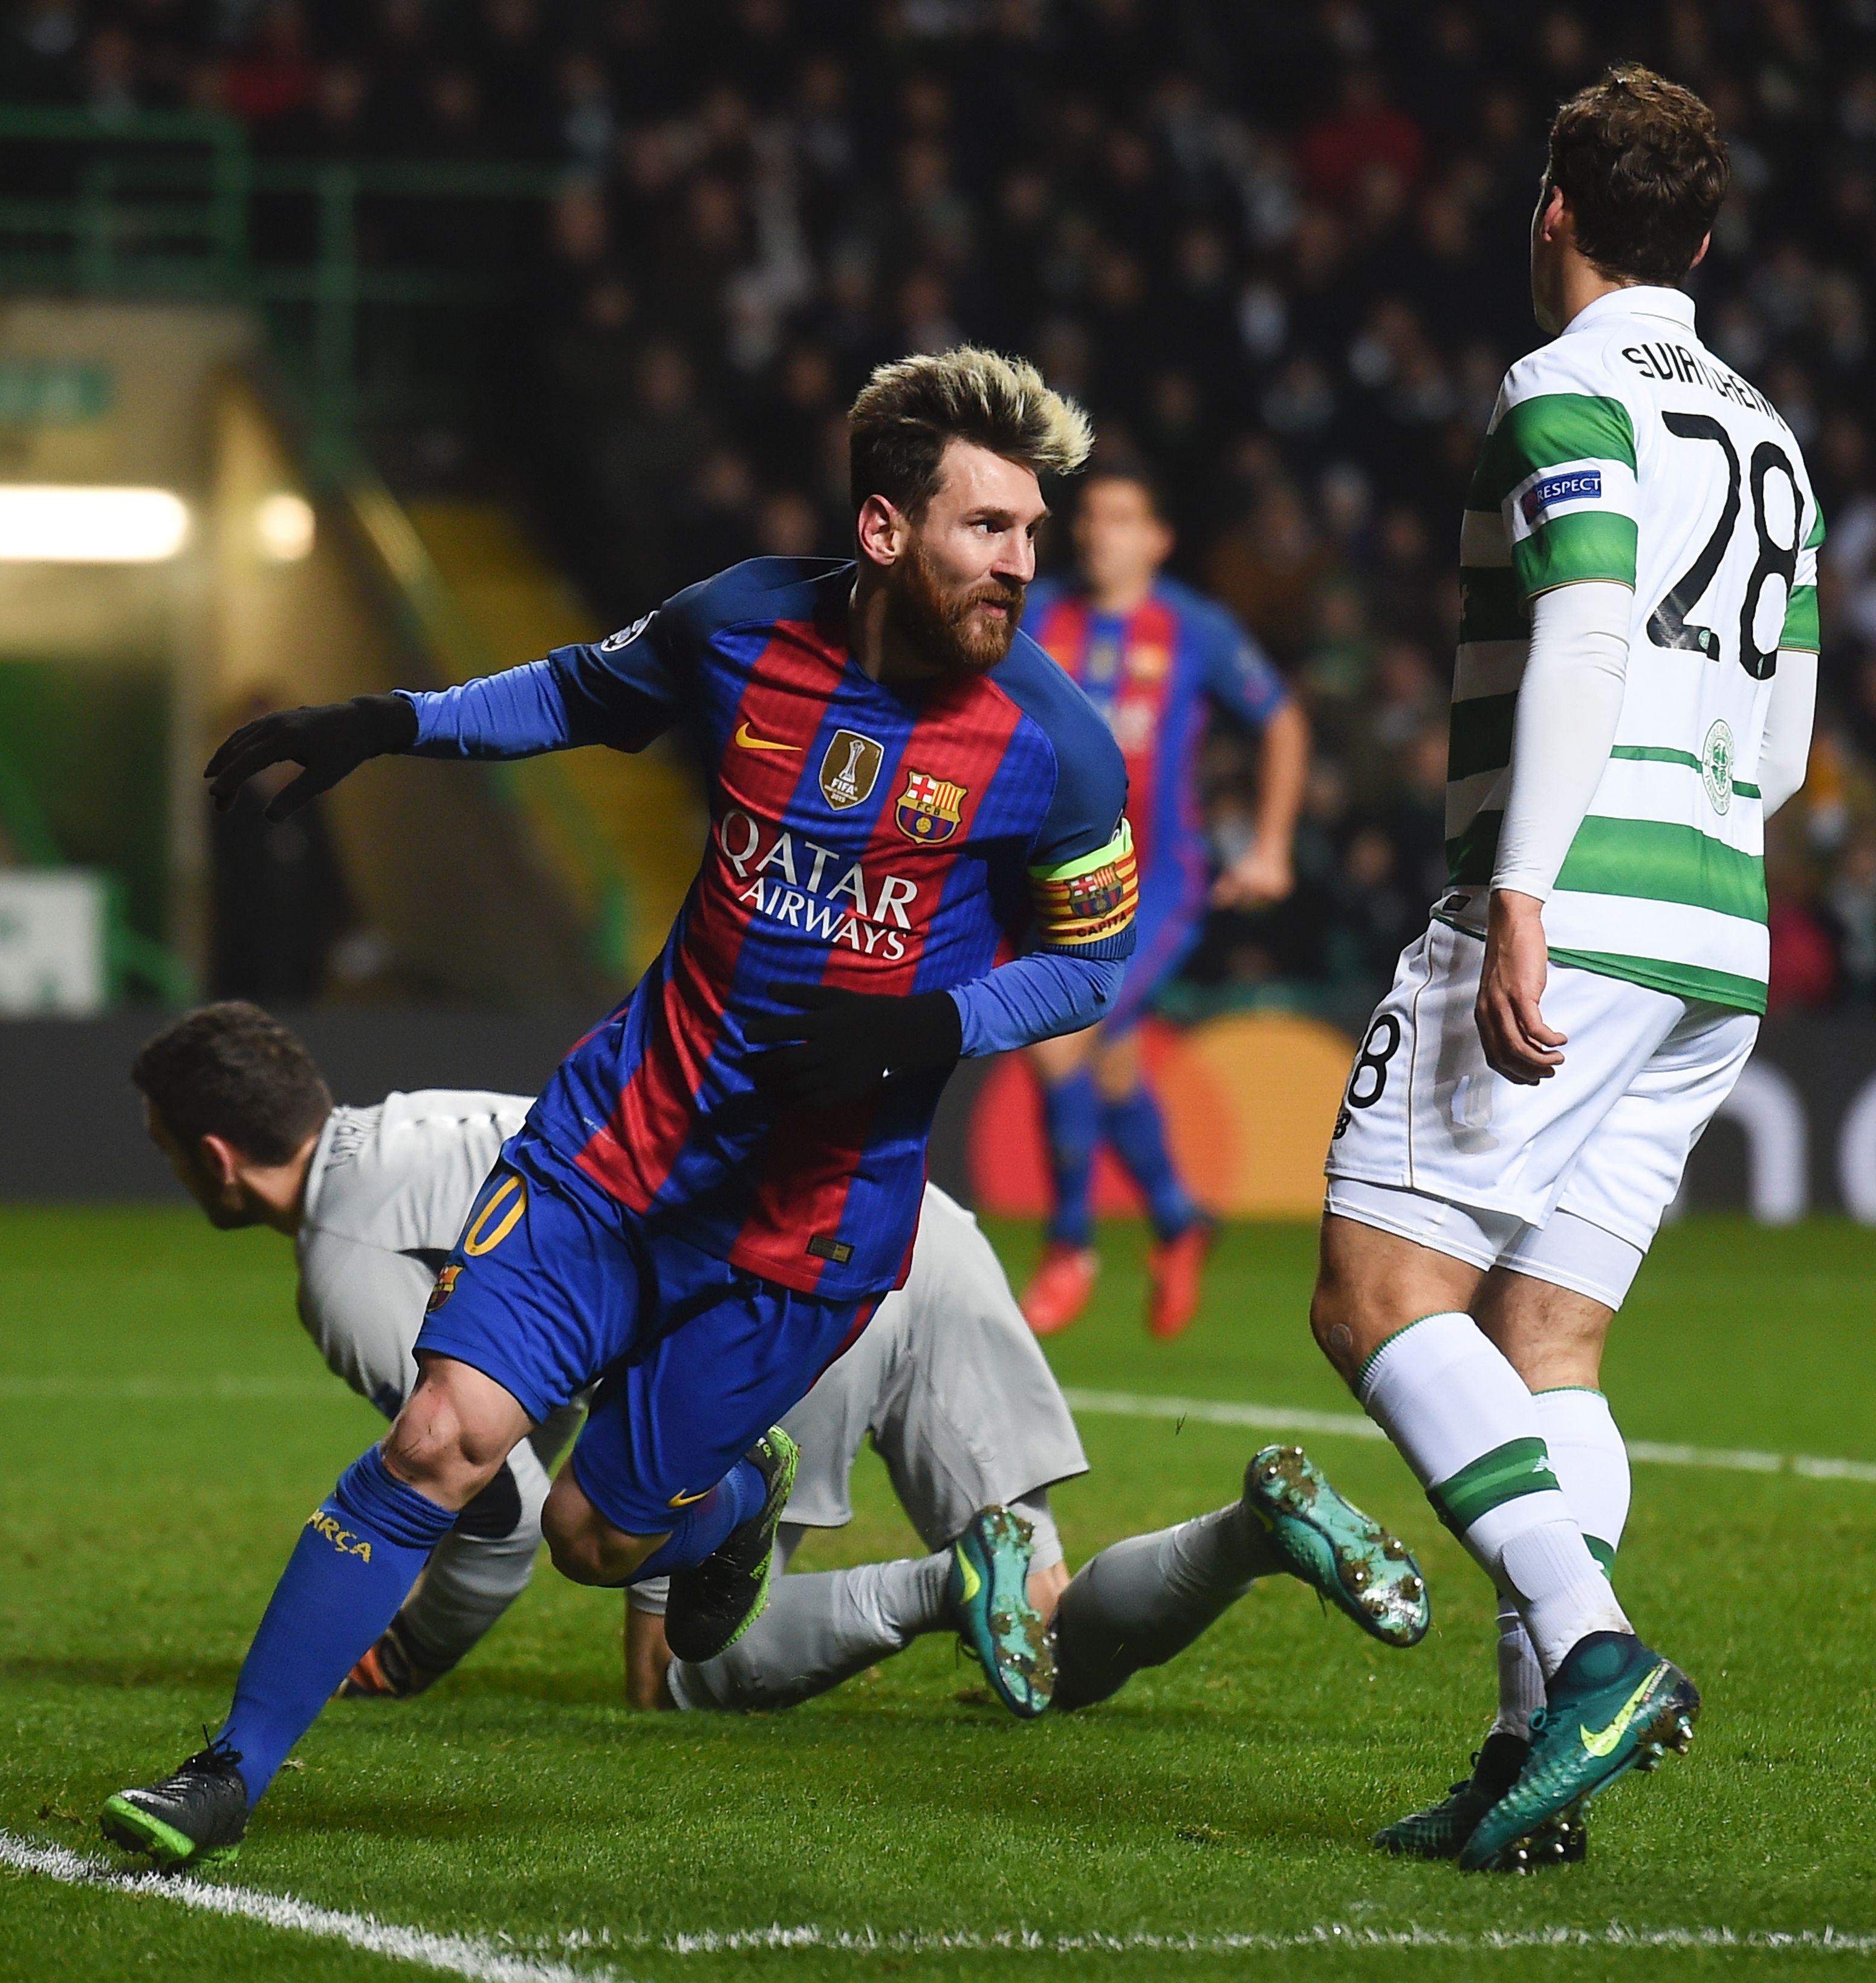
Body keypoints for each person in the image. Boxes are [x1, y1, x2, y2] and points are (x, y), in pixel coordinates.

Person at [103, 348, 1140, 1869]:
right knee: (442, 1441)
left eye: (1030, 535)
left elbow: (1090, 961)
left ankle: (723, 1511)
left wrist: (929, 1022)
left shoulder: (1056, 750)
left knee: (597, 1539)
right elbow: (577, 693)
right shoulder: (740, 626)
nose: (1019, 566)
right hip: (617, 1151)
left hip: (812, 1219)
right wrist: (387, 722)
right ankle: (230, 1767)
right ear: (881, 530)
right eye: (986, 528)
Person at [125, 1004, 1428, 1731]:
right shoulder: (421, 1124)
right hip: (900, 1216)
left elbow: (492, 1509)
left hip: (767, 1287)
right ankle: (1247, 1532)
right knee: (1046, 1615)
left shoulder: (344, 1260)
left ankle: (934, 1581)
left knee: (676, 1666)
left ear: (216, 1156)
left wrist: (408, 1653)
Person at [1311, 67, 1816, 1874]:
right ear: (1701, 233)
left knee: (1378, 1295)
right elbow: (1788, 743)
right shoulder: (1768, 433)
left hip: (1573, 911)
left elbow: (1591, 618)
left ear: (1553, 212)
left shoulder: (1562, 390)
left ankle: (1592, 1656)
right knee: (1550, 1342)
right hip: (1719, 932)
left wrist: (1523, 887)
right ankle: (1531, 1765)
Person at [1016, 469, 1311, 1338]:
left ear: (1158, 539)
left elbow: (1283, 721)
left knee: (1060, 1037)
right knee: (1106, 1059)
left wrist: (1271, 845)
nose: (1097, 534)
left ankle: (1070, 1241)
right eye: (1091, 517)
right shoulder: (1043, 617)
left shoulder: (1195, 629)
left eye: (1120, 518)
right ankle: (1180, 1221)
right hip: (1057, 876)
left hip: (1160, 885)